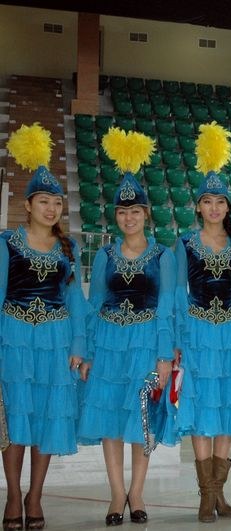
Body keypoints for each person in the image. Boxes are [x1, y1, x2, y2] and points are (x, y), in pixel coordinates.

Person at [77, 127, 175, 526]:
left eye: (135, 211)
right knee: (112, 420)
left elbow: (168, 306)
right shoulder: (103, 255)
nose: (129, 217)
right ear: (115, 215)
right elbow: (93, 303)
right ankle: (116, 494)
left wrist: (165, 354)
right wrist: (85, 350)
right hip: (108, 343)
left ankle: (137, 492)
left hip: (147, 342)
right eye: (122, 211)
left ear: (146, 214)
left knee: (141, 418)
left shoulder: (163, 255)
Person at [174, 123, 231, 522]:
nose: (214, 207)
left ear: (229, 207)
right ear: (198, 206)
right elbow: (177, 294)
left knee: (229, 407)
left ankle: (217, 495)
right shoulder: (183, 243)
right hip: (196, 332)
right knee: (200, 409)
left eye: (220, 202)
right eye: (207, 201)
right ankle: (205, 495)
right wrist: (176, 340)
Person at [1, 124, 86, 530]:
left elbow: (77, 303)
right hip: (14, 340)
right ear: (29, 204)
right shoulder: (6, 242)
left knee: (47, 420)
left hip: (55, 342)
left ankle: (36, 496)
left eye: (57, 202)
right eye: (44, 201)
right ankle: (13, 495)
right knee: (17, 420)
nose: (52, 209)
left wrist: (79, 346)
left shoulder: (69, 249)